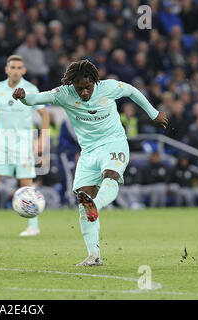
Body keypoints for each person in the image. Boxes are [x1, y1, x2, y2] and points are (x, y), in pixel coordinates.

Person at [13, 59, 168, 265]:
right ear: (72, 86)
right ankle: (94, 256)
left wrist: (153, 113)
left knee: (110, 177)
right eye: (80, 89)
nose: (84, 92)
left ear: (94, 82)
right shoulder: (65, 94)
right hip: (88, 153)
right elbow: (37, 98)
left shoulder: (108, 87)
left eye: (87, 88)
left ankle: (97, 203)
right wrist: (23, 98)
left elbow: (131, 90)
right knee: (82, 200)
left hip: (114, 144)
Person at [0, 54, 49, 237]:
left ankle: (33, 227)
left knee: (26, 182)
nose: (15, 70)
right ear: (6, 69)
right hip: (1, 141)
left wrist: (42, 140)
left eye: (19, 67)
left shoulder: (31, 88)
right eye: (12, 67)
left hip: (23, 142)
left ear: (24, 71)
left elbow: (45, 115)